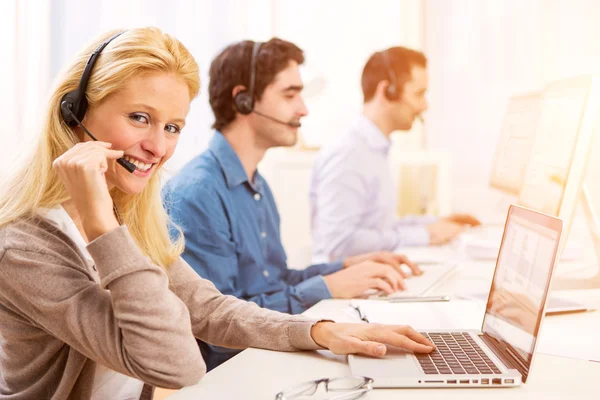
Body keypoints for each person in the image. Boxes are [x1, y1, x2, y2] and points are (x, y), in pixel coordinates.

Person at [0, 29, 434, 400]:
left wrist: (318, 332)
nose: (158, 147)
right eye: (139, 118)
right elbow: (176, 364)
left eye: (172, 127)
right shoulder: (25, 248)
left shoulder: (124, 214)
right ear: (74, 112)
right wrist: (102, 224)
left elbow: (205, 307)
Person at [163, 39, 423, 370]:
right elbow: (217, 329)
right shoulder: (198, 193)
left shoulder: (257, 184)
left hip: (268, 352)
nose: (303, 109)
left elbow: (274, 280)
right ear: (243, 100)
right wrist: (326, 286)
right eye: (289, 95)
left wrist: (342, 268)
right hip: (236, 369)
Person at [309, 46, 481, 262]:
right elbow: (339, 244)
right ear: (387, 91)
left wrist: (434, 223)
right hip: (345, 286)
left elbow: (380, 226)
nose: (424, 105)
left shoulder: (373, 149)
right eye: (419, 94)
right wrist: (426, 235)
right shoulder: (348, 155)